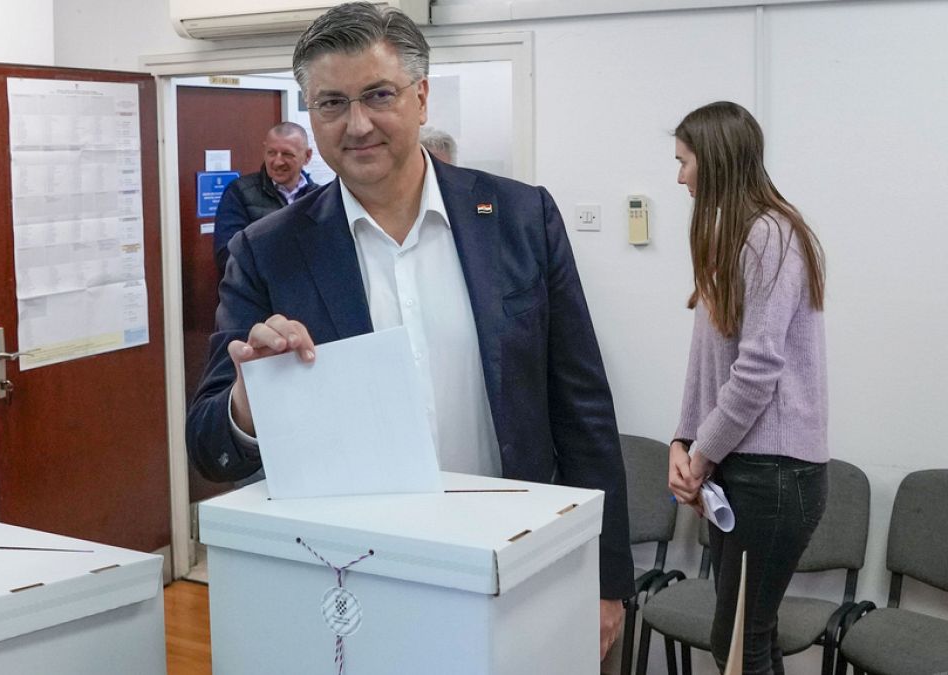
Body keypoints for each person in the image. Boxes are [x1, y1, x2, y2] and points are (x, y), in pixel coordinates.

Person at [186, 2, 633, 659]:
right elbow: (209, 446)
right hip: (357, 591)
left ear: (421, 97)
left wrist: (606, 576)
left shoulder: (519, 219)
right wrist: (248, 403)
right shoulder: (268, 251)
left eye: (378, 95)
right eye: (332, 103)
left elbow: (583, 411)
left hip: (521, 572)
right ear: (311, 114)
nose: (357, 123)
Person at [667, 101, 828, 675]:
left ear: (713, 161)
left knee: (739, 644)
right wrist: (683, 442)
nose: (679, 175)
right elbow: (707, 361)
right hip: (746, 469)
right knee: (749, 639)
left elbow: (758, 369)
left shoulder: (769, 235)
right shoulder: (733, 236)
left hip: (775, 476)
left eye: (684, 161)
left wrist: (703, 454)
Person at [212, 122, 319, 274]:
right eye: (271, 153)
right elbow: (227, 256)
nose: (278, 161)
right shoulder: (240, 192)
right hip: (259, 295)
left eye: (287, 154)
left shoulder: (319, 198)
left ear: (307, 156)